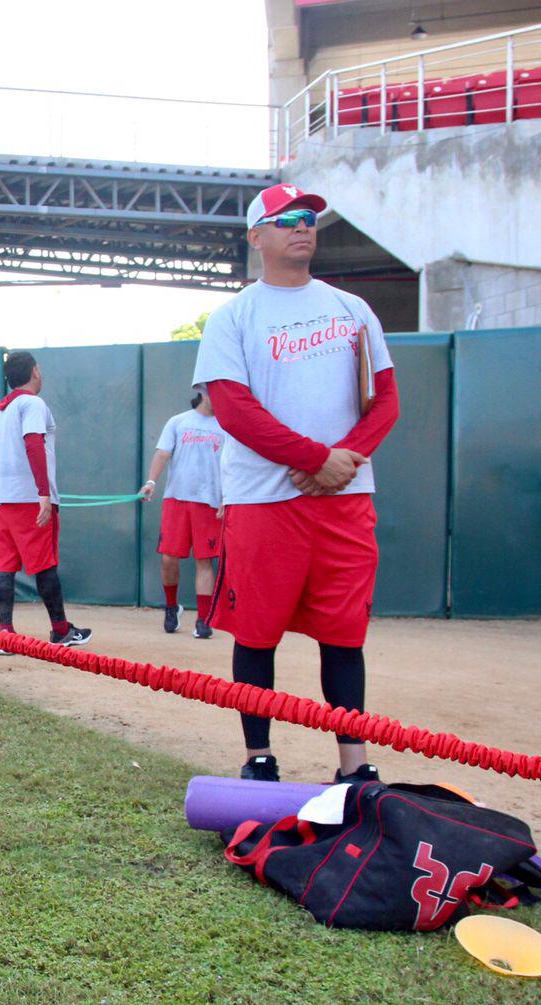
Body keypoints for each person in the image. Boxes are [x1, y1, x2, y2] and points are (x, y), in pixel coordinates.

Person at [192, 183, 400, 786]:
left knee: (343, 635)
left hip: (346, 498)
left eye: (309, 218)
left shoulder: (352, 308)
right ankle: (259, 757)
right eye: (285, 219)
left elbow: (385, 400)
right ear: (256, 236)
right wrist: (315, 458)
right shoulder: (234, 316)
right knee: (257, 634)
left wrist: (345, 460)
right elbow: (233, 408)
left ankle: (353, 764)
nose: (302, 227)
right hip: (265, 500)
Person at [0, 349, 91, 654]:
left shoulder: (1, 411)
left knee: (4, 567)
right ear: (35, 372)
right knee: (45, 565)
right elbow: (33, 443)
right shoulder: (32, 403)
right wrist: (43, 492)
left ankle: (6, 635)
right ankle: (60, 630)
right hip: (28, 499)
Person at [141, 392, 226, 638]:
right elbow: (162, 454)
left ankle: (203, 619)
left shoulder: (226, 426)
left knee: (204, 561)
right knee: (169, 558)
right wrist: (150, 482)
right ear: (203, 392)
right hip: (177, 500)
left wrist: (226, 496)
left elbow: (232, 464)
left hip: (209, 503)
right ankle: (171, 607)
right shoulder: (179, 422)